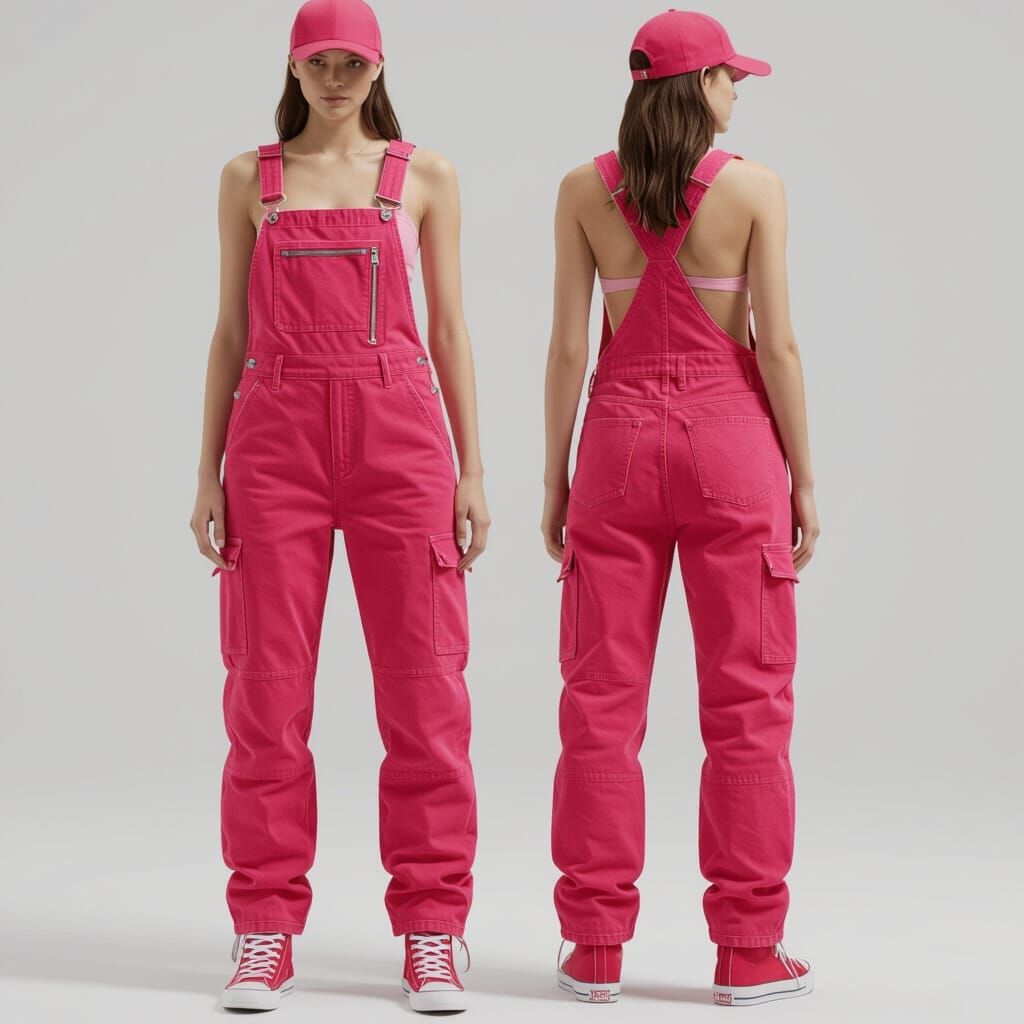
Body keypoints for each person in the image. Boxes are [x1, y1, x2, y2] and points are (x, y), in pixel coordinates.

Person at [188, 0, 489, 1013]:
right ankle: (264, 929)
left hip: (402, 440)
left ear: (378, 68)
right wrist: (206, 472)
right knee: (264, 695)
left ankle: (433, 929)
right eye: (318, 62)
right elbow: (230, 333)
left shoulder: (423, 175)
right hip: (272, 444)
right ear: (292, 67)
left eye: (351, 64)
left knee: (427, 693)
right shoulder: (250, 178)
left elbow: (450, 331)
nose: (334, 80)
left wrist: (472, 470)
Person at [542, 9, 819, 1008]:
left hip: (615, 449)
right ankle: (747, 951)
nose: (737, 92)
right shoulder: (753, 188)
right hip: (730, 450)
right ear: (700, 85)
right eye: (731, 78)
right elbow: (775, 346)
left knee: (599, 707)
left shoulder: (583, 190)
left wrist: (554, 479)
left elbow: (569, 349)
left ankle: (595, 947)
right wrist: (804, 477)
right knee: (747, 708)